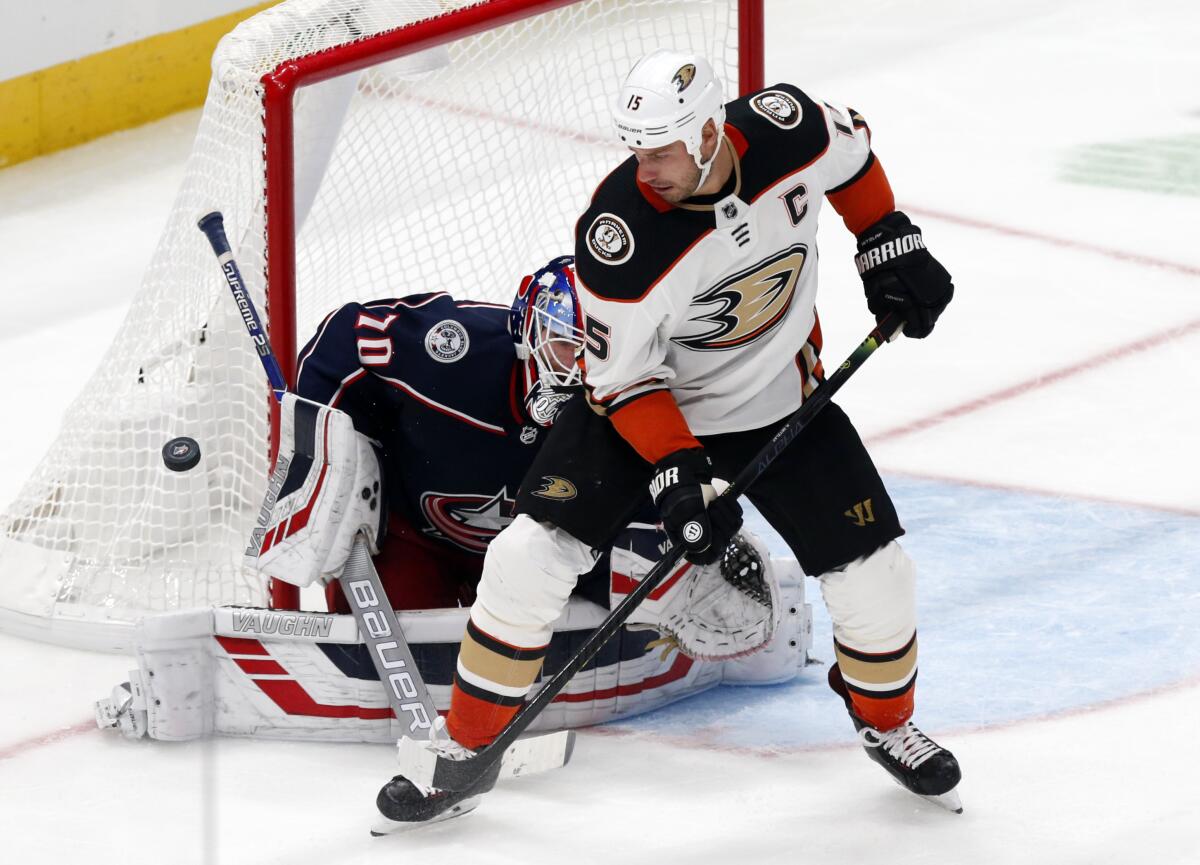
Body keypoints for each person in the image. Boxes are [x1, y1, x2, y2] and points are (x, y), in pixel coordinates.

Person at [379, 49, 959, 824]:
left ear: (714, 131)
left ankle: (886, 723)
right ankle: (465, 748)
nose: (645, 168)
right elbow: (622, 380)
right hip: (641, 409)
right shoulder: (621, 236)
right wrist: (679, 476)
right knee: (527, 558)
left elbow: (852, 156)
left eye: (661, 150)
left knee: (878, 575)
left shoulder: (789, 130)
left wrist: (888, 240)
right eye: (636, 150)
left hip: (776, 396)